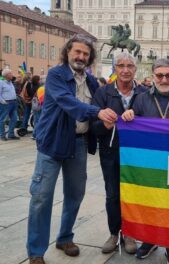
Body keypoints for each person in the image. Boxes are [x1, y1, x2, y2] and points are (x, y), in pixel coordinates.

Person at [26, 34, 118, 264]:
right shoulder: (56, 75)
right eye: (77, 52)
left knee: (75, 194)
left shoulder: (91, 81)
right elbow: (68, 101)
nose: (81, 56)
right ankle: (36, 252)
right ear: (68, 52)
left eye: (86, 54)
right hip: (52, 143)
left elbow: (106, 101)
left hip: (78, 143)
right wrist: (96, 112)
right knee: (41, 196)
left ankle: (65, 237)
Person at [121, 58, 169, 264]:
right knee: (150, 204)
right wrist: (129, 115)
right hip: (149, 162)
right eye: (159, 75)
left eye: (168, 75)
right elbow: (133, 122)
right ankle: (150, 240)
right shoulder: (141, 98)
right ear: (153, 77)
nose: (164, 79)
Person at [92, 52, 146, 255]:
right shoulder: (103, 93)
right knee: (113, 194)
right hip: (110, 152)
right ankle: (114, 233)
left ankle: (130, 233)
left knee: (134, 194)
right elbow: (92, 126)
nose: (125, 70)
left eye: (130, 66)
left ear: (135, 69)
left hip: (138, 155)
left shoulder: (144, 93)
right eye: (121, 65)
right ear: (115, 68)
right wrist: (104, 125)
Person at [0, 69, 20, 141]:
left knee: (14, 119)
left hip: (13, 103)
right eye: (10, 73)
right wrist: (3, 102)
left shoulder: (10, 82)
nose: (12, 75)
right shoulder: (1, 82)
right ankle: (2, 135)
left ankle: (11, 134)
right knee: (3, 120)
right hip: (6, 104)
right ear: (6, 75)